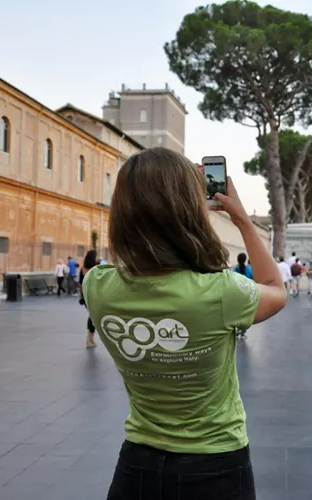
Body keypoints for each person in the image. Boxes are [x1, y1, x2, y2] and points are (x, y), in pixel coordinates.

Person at [83, 148, 287, 500]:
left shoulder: (98, 286)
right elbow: (275, 290)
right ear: (188, 212)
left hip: (137, 466)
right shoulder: (222, 292)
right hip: (217, 466)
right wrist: (241, 219)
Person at [78, 250, 100, 348]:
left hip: (87, 296)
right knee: (93, 317)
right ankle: (89, 339)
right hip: (95, 296)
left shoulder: (83, 269)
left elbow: (80, 284)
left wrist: (81, 296)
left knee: (92, 316)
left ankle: (90, 339)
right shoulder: (96, 268)